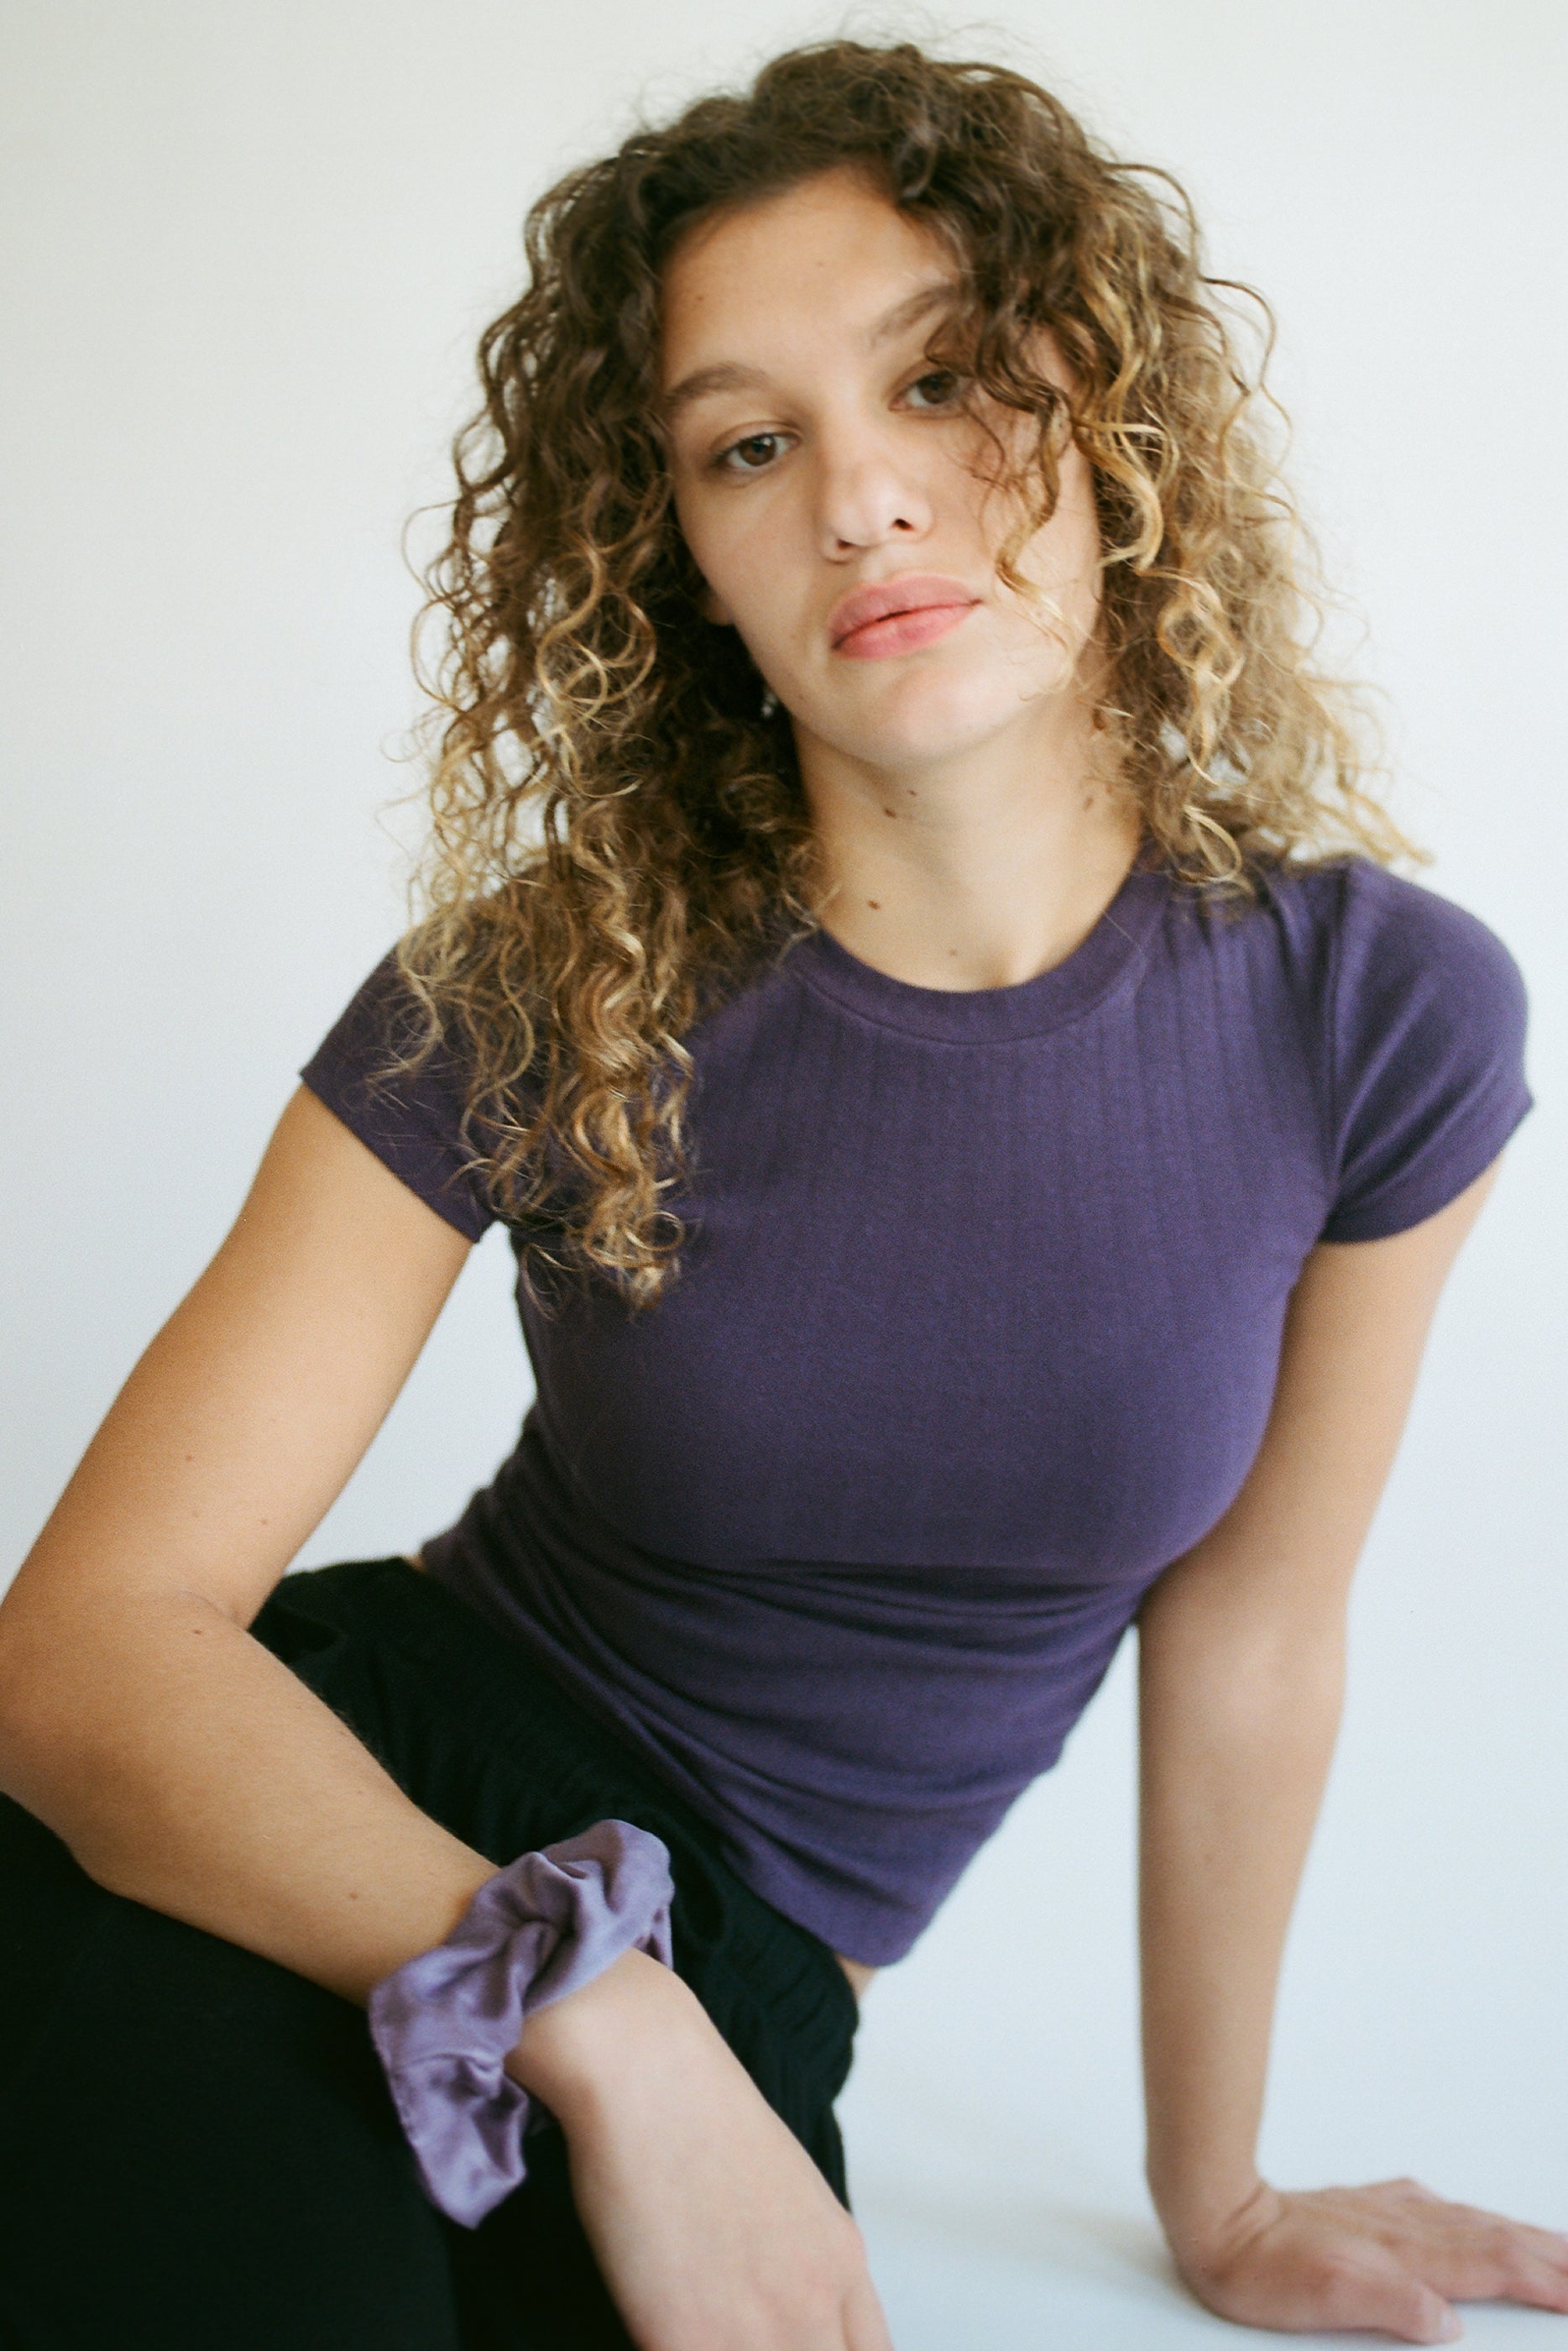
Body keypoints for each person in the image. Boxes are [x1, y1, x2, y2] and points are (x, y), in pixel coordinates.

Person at [0, 35, 1560, 2351]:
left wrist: (1217, 2197)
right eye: (749, 443)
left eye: (942, 381)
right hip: (324, 1808)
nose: (861, 500)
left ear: (1115, 421)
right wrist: (592, 2016)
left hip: (749, 1967)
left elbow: (1250, 1637)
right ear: (680, 555)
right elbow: (92, 1648)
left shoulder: (1375, 1014)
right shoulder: (537, 988)